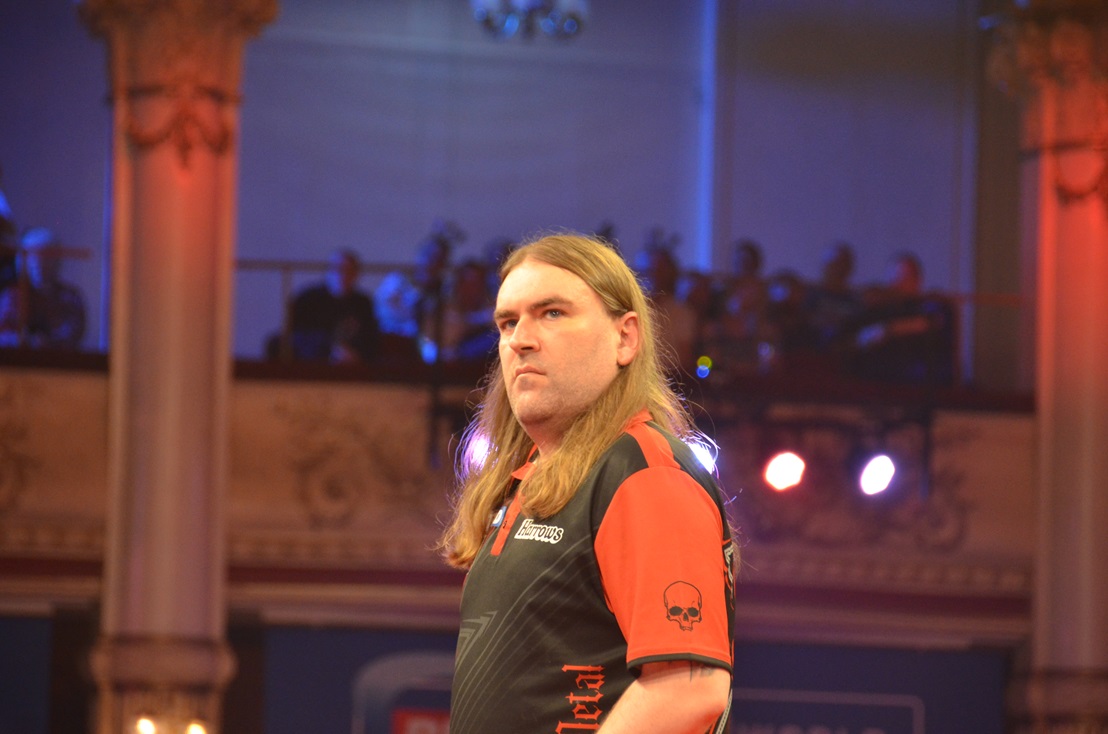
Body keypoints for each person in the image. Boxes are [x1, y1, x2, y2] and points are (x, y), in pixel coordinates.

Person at [441, 233, 735, 734]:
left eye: (552, 313)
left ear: (625, 338)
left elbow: (689, 689)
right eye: (507, 322)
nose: (519, 339)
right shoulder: (533, 473)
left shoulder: (643, 472)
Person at [283, 248, 379, 363]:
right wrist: (330, 350)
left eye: (349, 271)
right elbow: (297, 336)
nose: (343, 276)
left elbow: (371, 338)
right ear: (328, 272)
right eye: (338, 269)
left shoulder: (363, 303)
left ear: (356, 274)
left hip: (353, 365)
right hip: (313, 364)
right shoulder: (308, 299)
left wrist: (356, 354)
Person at [0, 227, 86, 349]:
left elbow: (73, 335)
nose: (38, 263)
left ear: (57, 260)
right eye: (32, 257)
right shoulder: (12, 296)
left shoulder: (70, 298)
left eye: (46, 257)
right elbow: (4, 334)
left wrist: (48, 342)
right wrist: (25, 340)